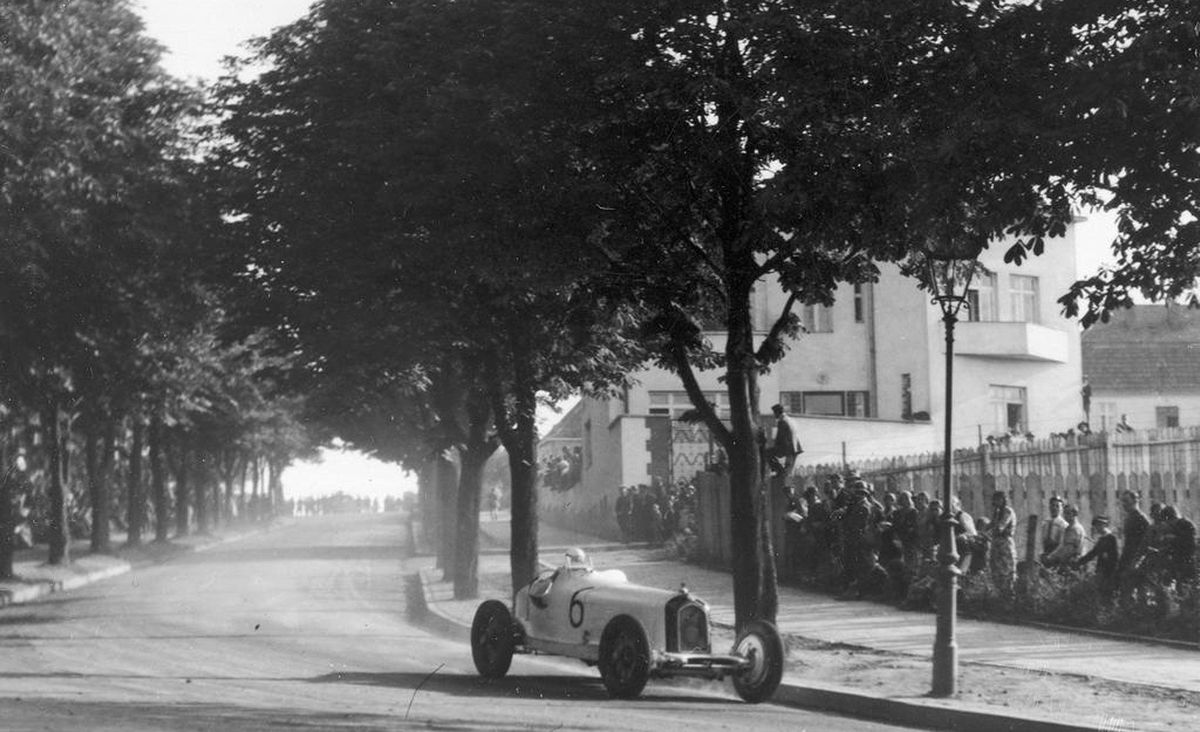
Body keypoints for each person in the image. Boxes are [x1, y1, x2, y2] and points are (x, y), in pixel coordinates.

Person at [1076, 516, 1119, 598]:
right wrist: (1079, 562)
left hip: (1109, 572)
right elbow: (1093, 553)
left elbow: (1115, 558)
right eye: (1096, 525)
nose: (1097, 528)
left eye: (1100, 525)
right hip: (1101, 571)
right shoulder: (1101, 539)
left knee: (1107, 595)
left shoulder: (1111, 538)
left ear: (1105, 525)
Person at [769, 404, 804, 492]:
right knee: (789, 469)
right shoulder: (790, 419)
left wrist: (776, 448)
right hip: (795, 448)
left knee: (767, 453)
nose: (774, 415)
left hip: (788, 448)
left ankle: (779, 470)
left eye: (774, 413)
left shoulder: (782, 421)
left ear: (777, 412)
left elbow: (779, 437)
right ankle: (789, 487)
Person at [988, 491, 1017, 593]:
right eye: (994, 499)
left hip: (1005, 543)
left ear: (1003, 500)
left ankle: (1009, 592)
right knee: (996, 570)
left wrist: (991, 532)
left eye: (998, 499)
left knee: (1007, 570)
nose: (995, 502)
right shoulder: (997, 512)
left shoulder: (1007, 511)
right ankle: (999, 592)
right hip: (996, 543)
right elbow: (991, 525)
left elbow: (1001, 527)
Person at [1044, 503, 1087, 568]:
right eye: (1064, 513)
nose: (1065, 516)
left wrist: (1053, 558)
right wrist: (1051, 556)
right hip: (1067, 561)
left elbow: (1070, 549)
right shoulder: (1068, 528)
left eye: (1068, 513)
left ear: (1075, 514)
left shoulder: (1076, 529)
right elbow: (1062, 545)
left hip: (1073, 562)